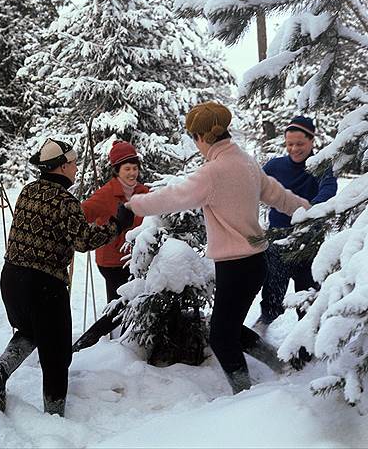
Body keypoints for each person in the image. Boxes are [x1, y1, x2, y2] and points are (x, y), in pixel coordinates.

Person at [124, 101, 310, 394]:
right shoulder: (246, 162)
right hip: (254, 263)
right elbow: (279, 196)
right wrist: (308, 211)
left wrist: (133, 204)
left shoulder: (213, 172)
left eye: (194, 139)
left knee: (222, 337)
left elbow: (171, 198)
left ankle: (244, 395)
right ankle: (281, 364)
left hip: (236, 266)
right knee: (229, 328)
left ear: (201, 137)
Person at [0, 138, 134, 416]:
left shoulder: (28, 191)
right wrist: (117, 224)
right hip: (44, 286)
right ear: (62, 166)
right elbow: (83, 240)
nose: (76, 168)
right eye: (73, 163)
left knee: (30, 331)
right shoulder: (65, 200)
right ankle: (53, 417)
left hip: (12, 278)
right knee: (56, 356)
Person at [257, 116, 338, 368]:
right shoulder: (275, 166)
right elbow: (254, 185)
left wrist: (307, 213)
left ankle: (306, 348)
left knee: (307, 294)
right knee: (273, 290)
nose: (294, 149)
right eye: (289, 144)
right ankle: (261, 330)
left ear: (312, 141)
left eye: (300, 144)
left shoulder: (321, 166)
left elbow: (329, 191)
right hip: (278, 240)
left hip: (308, 242)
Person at [81, 140, 148, 305]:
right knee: (120, 306)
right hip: (112, 262)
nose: (132, 173)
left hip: (136, 260)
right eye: (127, 169)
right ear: (117, 170)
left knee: (134, 305)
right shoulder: (106, 194)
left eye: (135, 168)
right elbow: (81, 214)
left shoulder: (144, 192)